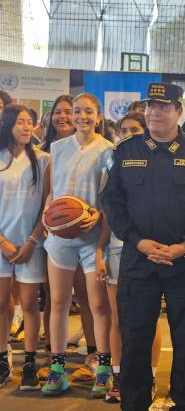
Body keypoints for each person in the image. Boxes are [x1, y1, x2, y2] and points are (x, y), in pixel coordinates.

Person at [102, 83, 185, 411]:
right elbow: (111, 203)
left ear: (179, 111)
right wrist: (138, 241)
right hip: (139, 259)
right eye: (151, 105)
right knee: (136, 338)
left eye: (163, 106)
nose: (155, 112)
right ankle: (135, 403)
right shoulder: (125, 151)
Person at [41, 93, 114, 397]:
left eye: (88, 112)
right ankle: (58, 369)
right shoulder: (56, 149)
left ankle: (104, 369)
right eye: (77, 112)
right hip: (60, 238)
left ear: (98, 117)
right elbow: (53, 193)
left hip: (91, 238)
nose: (82, 116)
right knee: (57, 302)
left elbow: (111, 198)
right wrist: (49, 216)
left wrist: (98, 215)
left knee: (98, 304)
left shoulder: (109, 150)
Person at [96, 113, 163, 404]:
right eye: (123, 130)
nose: (127, 134)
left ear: (145, 130)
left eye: (133, 129)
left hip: (148, 249)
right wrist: (99, 250)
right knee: (119, 319)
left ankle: (148, 376)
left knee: (147, 320)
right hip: (116, 247)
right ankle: (119, 376)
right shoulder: (115, 159)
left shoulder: (156, 159)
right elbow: (109, 212)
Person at [0, 105, 50, 390]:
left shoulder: (43, 160)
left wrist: (33, 240)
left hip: (31, 244)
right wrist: (3, 243)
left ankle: (30, 362)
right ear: (6, 125)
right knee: (1, 305)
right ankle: (1, 359)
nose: (26, 127)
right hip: (1, 244)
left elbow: (47, 206)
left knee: (31, 304)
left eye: (30, 122)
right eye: (20, 122)